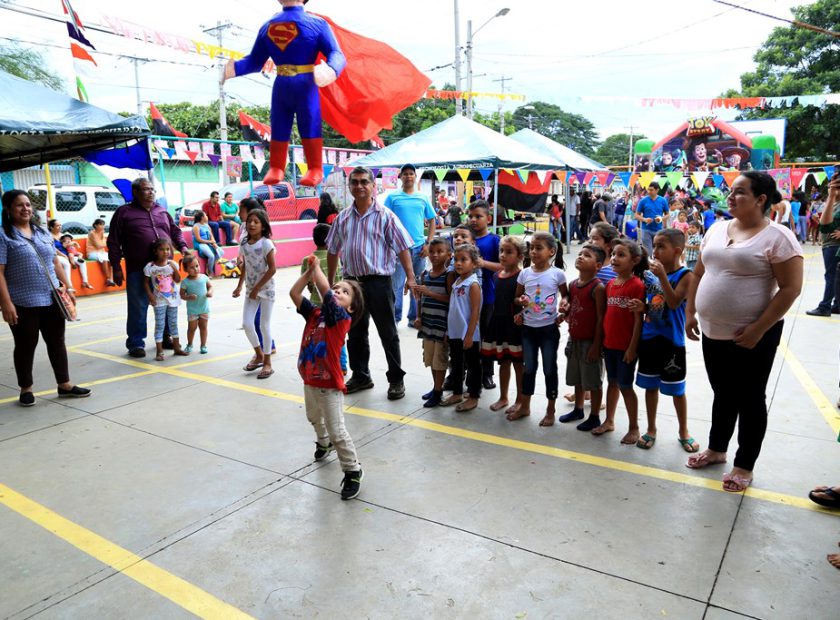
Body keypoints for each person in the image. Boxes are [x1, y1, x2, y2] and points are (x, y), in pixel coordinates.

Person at [686, 171, 803, 492]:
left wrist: (758, 329)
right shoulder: (716, 228)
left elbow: (791, 288)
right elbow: (698, 272)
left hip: (754, 335)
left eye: (739, 192)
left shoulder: (778, 237)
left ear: (761, 199)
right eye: (731, 191)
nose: (730, 197)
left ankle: (744, 465)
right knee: (723, 393)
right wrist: (690, 312)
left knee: (750, 399)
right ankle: (716, 449)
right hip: (712, 331)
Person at [326, 166, 416, 400]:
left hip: (379, 282)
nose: (359, 186)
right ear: (350, 187)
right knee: (355, 332)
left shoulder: (385, 215)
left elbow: (403, 246)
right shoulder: (342, 218)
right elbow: (333, 250)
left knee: (388, 332)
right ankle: (361, 375)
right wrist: (330, 282)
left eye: (364, 182)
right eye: (354, 182)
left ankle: (396, 379)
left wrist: (411, 277)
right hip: (352, 285)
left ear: (373, 186)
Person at [0, 190, 90, 406]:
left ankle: (64, 385)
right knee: (25, 345)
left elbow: (55, 263)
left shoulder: (41, 232)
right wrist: (5, 303)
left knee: (57, 342)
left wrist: (68, 288)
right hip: (23, 301)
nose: (26, 209)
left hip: (52, 298)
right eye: (20, 205)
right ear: (9, 210)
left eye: (28, 205)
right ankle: (26, 389)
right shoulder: (4, 235)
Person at [291, 254, 365, 500]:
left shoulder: (340, 320)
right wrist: (307, 274)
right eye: (336, 288)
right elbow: (294, 293)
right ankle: (323, 442)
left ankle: (353, 470)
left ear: (351, 307)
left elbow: (325, 291)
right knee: (313, 417)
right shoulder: (315, 315)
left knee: (338, 430)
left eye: (344, 291)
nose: (336, 291)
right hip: (310, 381)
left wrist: (316, 268)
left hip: (330, 385)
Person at [108, 178, 190, 357]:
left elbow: (175, 232)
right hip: (139, 269)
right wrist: (116, 267)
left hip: (166, 270)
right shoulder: (124, 212)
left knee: (167, 302)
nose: (151, 192)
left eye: (152, 189)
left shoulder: (162, 211)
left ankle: (166, 337)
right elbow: (113, 241)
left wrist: (183, 247)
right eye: (146, 189)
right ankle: (136, 343)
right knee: (138, 305)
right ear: (135, 192)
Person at [635, 229, 698, 452]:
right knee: (650, 386)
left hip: (672, 341)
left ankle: (683, 431)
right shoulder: (651, 275)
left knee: (677, 390)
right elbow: (652, 303)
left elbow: (672, 303)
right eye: (655, 245)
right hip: (650, 337)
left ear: (677, 251)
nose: (656, 251)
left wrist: (662, 276)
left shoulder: (686, 276)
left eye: (662, 246)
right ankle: (651, 428)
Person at [591, 239, 647, 443]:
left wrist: (632, 348)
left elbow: (637, 321)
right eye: (613, 254)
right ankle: (609, 421)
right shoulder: (611, 285)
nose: (614, 258)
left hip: (626, 348)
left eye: (621, 255)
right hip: (610, 345)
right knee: (612, 383)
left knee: (625, 385)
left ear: (635, 260)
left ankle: (634, 427)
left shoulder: (636, 285)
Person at [513, 232, 569, 425]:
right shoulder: (524, 273)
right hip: (528, 329)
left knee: (549, 369)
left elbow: (565, 296)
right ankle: (525, 406)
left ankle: (550, 410)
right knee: (529, 369)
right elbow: (516, 297)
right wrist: (520, 303)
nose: (534, 252)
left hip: (548, 331)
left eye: (539, 248)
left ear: (551, 251)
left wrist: (564, 308)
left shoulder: (557, 274)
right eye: (532, 248)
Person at [559, 243, 606, 432]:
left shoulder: (598, 287)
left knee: (593, 381)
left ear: (598, 266)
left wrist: (596, 345)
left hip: (590, 341)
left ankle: (594, 416)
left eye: (587, 255)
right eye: (580, 254)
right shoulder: (573, 284)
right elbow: (572, 305)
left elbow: (601, 317)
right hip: (574, 338)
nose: (580, 257)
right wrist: (564, 312)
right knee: (578, 377)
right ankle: (578, 409)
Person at [385, 164, 436, 325]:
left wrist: (428, 243)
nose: (408, 176)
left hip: (420, 248)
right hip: (398, 249)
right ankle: (394, 318)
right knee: (396, 285)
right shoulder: (392, 197)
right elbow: (383, 220)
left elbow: (432, 220)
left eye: (411, 174)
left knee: (418, 284)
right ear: (400, 177)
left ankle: (414, 317)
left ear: (415, 177)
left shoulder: (422, 197)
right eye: (405, 174)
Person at [481, 235, 525, 418]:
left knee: (517, 364)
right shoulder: (495, 275)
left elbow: (525, 301)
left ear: (520, 256)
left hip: (514, 325)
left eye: (509, 252)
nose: (503, 255)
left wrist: (521, 314)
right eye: (501, 251)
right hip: (497, 322)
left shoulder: (522, 276)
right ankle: (503, 396)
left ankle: (520, 400)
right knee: (503, 361)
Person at [234, 209, 277, 380]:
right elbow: (246, 265)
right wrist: (239, 286)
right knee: (246, 324)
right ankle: (258, 354)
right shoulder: (244, 243)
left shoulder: (266, 244)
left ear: (263, 225)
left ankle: (267, 362)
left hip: (265, 290)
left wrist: (257, 288)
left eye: (256, 222)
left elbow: (272, 269)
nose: (251, 224)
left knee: (264, 325)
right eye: (249, 221)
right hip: (251, 290)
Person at [440, 243, 483, 411]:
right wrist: (448, 331)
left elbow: (475, 313)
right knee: (456, 363)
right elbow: (453, 309)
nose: (458, 263)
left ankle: (473, 396)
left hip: (468, 334)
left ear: (474, 263)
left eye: (463, 260)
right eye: (456, 260)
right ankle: (457, 392)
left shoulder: (473, 285)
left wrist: (470, 335)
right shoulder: (457, 281)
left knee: (473, 366)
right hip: (455, 333)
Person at [414, 238, 455, 408]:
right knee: (430, 359)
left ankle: (438, 392)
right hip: (427, 325)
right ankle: (435, 388)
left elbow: (451, 300)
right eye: (432, 252)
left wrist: (429, 293)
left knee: (440, 360)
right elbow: (420, 299)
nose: (435, 255)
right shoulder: (425, 275)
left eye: (440, 252)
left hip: (441, 326)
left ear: (449, 255)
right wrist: (418, 317)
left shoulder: (448, 275)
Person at [302, 223, 347, 374]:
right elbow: (340, 279)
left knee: (318, 335)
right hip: (336, 303)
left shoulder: (308, 259)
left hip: (316, 304)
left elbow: (306, 282)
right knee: (338, 335)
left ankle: (321, 363)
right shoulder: (336, 258)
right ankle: (342, 365)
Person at [468, 200, 502, 389]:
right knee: (465, 335)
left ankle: (487, 373)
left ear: (488, 218)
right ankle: (462, 371)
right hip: (463, 298)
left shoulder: (494, 241)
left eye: (478, 216)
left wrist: (483, 263)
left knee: (486, 336)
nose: (473, 220)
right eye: (471, 216)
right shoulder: (463, 238)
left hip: (487, 296)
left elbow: (505, 267)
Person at [143, 238, 188, 361]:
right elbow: (146, 283)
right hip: (159, 300)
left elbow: (178, 280)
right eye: (162, 249)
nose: (165, 252)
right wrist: (150, 295)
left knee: (173, 323)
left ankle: (177, 347)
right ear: (155, 251)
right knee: (160, 325)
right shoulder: (150, 267)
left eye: (167, 249)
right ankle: (159, 351)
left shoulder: (171, 264)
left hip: (173, 299)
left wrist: (174, 268)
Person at [806, 174, 840, 317]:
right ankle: (837, 305)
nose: (834, 188)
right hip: (828, 243)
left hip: (834, 245)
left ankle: (825, 306)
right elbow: (824, 225)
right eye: (831, 185)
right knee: (836, 276)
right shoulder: (832, 202)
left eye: (837, 185)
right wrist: (831, 197)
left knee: (831, 276)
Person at [180, 253, 212, 354]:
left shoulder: (204, 277)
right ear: (186, 270)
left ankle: (203, 345)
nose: (196, 269)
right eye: (192, 267)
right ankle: (189, 344)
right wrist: (188, 297)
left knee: (203, 327)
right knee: (192, 328)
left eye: (197, 266)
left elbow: (210, 286)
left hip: (204, 308)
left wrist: (210, 292)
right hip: (193, 310)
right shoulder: (185, 282)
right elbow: (182, 295)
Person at [49, 220, 92, 290]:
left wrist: (71, 252)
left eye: (60, 225)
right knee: (66, 264)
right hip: (57, 255)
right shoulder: (49, 236)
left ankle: (85, 281)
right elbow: (53, 249)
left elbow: (68, 245)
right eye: (57, 226)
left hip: (67, 255)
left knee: (82, 262)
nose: (60, 227)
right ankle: (69, 286)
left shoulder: (63, 235)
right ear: (51, 227)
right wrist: (64, 255)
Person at [635, 182, 669, 253]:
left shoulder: (663, 200)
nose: (649, 192)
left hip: (658, 229)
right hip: (646, 229)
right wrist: (644, 219)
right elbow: (636, 215)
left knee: (659, 251)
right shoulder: (643, 201)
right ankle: (649, 263)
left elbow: (668, 215)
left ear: (657, 190)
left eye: (651, 190)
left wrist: (661, 218)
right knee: (648, 251)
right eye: (648, 190)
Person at [192, 211, 223, 277]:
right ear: (202, 217)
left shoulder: (207, 225)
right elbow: (198, 239)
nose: (207, 217)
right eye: (205, 215)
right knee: (211, 256)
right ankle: (210, 271)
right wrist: (210, 242)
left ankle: (208, 265)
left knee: (220, 252)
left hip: (209, 243)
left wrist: (214, 243)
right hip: (200, 244)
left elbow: (211, 236)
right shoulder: (196, 226)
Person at [86, 218, 115, 286]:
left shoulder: (102, 232)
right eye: (101, 225)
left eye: (103, 225)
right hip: (92, 253)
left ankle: (111, 279)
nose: (102, 226)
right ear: (96, 225)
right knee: (104, 260)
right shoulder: (92, 233)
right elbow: (98, 245)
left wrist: (103, 244)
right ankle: (108, 279)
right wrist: (104, 244)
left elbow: (103, 244)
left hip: (101, 252)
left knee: (112, 258)